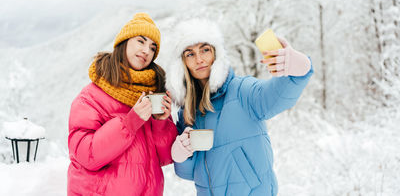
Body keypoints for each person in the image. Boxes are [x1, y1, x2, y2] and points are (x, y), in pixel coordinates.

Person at [166, 19, 313, 196]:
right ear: (183, 63)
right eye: (190, 54)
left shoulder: (242, 90)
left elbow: (276, 97)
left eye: (205, 50)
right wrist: (181, 156)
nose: (199, 59)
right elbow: (190, 173)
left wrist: (298, 71)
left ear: (216, 54)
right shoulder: (187, 112)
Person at [67, 13, 178, 196]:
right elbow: (86, 155)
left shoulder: (153, 92)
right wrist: (130, 123)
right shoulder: (91, 97)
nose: (146, 51)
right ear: (124, 42)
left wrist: (160, 122)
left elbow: (165, 157)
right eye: (141, 41)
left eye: (152, 47)